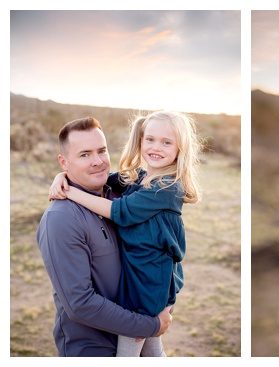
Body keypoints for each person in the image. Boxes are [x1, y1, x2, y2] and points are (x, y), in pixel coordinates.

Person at [49, 111, 202, 356]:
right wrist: (62, 176)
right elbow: (103, 180)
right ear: (140, 140)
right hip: (140, 278)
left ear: (180, 149)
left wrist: (70, 193)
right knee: (152, 352)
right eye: (149, 139)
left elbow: (119, 211)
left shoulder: (166, 187)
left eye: (167, 142)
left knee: (128, 353)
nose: (156, 147)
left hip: (148, 286)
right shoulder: (141, 178)